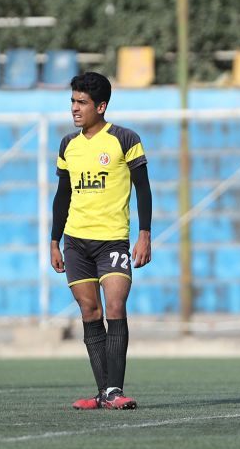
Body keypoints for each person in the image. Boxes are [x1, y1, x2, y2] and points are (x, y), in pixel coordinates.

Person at [50, 72, 152, 409]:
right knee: (90, 311)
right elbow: (62, 195)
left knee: (116, 306)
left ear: (101, 106)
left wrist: (145, 234)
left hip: (112, 242)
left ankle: (114, 390)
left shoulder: (125, 139)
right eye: (73, 101)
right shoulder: (68, 145)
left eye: (82, 102)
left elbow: (143, 189)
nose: (74, 108)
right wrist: (54, 241)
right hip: (75, 243)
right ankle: (105, 392)